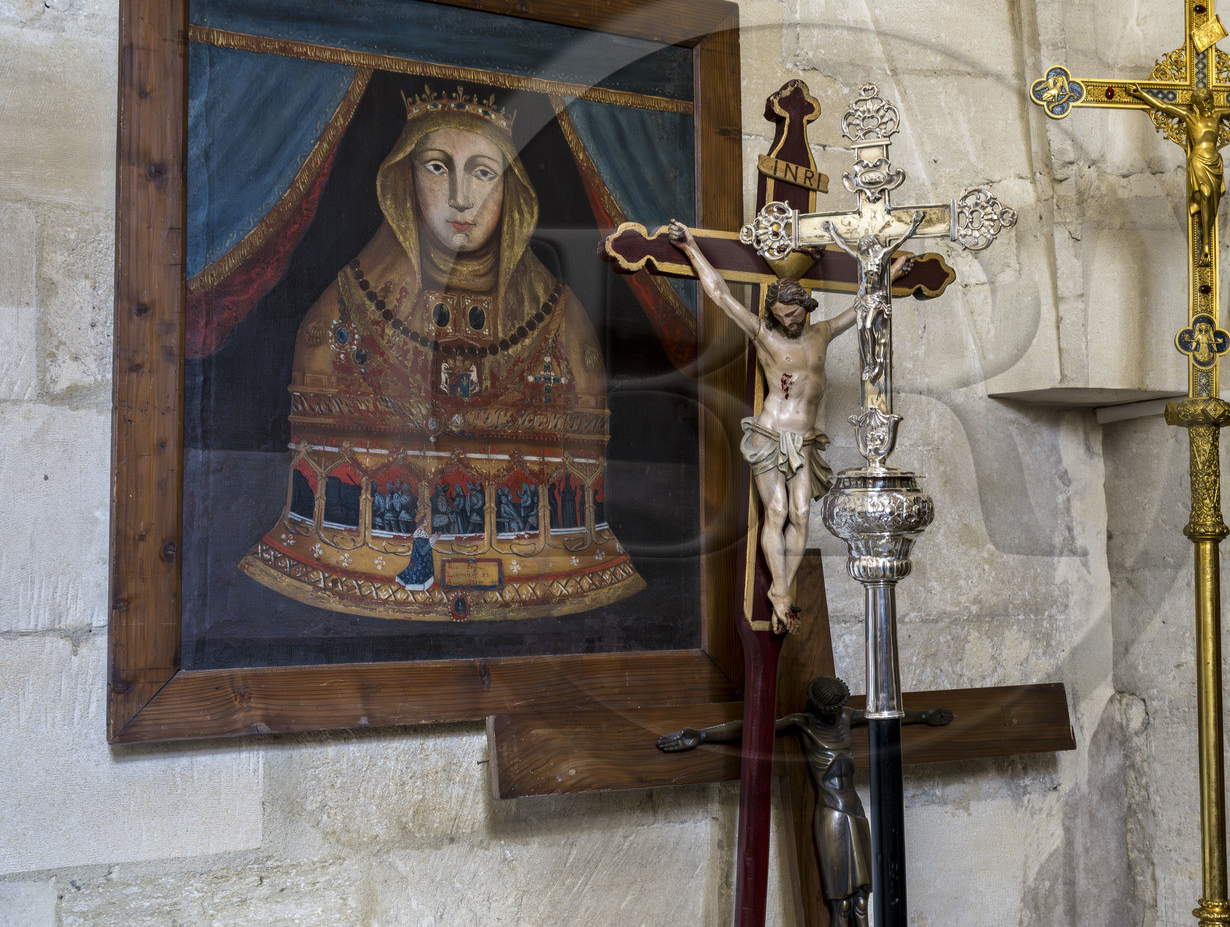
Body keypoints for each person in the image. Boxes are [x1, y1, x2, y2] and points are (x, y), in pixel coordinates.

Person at [238, 86, 642, 621]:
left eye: (482, 172)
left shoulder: (561, 321)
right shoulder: (344, 308)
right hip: (359, 552)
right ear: (403, 178)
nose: (459, 197)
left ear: (511, 189)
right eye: (436, 167)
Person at [670, 220, 868, 633]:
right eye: (782, 317)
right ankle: (781, 593)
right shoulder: (764, 335)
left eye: (795, 316)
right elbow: (720, 295)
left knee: (801, 514)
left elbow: (864, 305)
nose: (789, 324)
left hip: (806, 439)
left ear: (806, 308)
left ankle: (784, 590)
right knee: (775, 510)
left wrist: (887, 273)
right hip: (769, 436)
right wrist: (691, 247)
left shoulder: (822, 333)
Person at [657, 676, 953, 927]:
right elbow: (753, 728)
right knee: (843, 906)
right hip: (831, 814)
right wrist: (702, 735)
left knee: (862, 900)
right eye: (828, 708)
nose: (833, 712)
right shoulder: (802, 723)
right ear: (816, 705)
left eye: (836, 707)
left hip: (855, 809)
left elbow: (887, 714)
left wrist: (925, 716)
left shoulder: (847, 717)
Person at [1129, 84, 1230, 262]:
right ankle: (1206, 244)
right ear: (1196, 105)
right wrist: (1142, 94)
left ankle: (1207, 236)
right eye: (1203, 101)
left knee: (1212, 202)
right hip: (1198, 161)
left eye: (1209, 100)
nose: (1207, 104)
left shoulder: (1217, 116)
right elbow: (1164, 106)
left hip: (1215, 162)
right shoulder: (1190, 118)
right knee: (1205, 194)